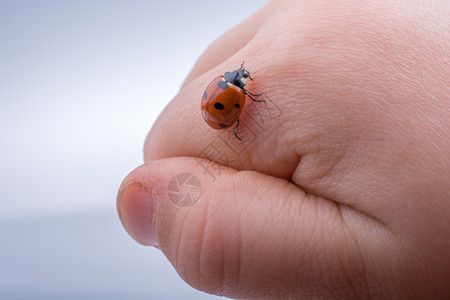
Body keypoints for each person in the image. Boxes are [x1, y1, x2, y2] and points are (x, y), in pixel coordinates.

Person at [117, 0, 450, 298]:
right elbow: (243, 103)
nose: (245, 78)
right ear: (239, 79)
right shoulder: (237, 91)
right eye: (244, 77)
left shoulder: (231, 88)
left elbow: (237, 102)